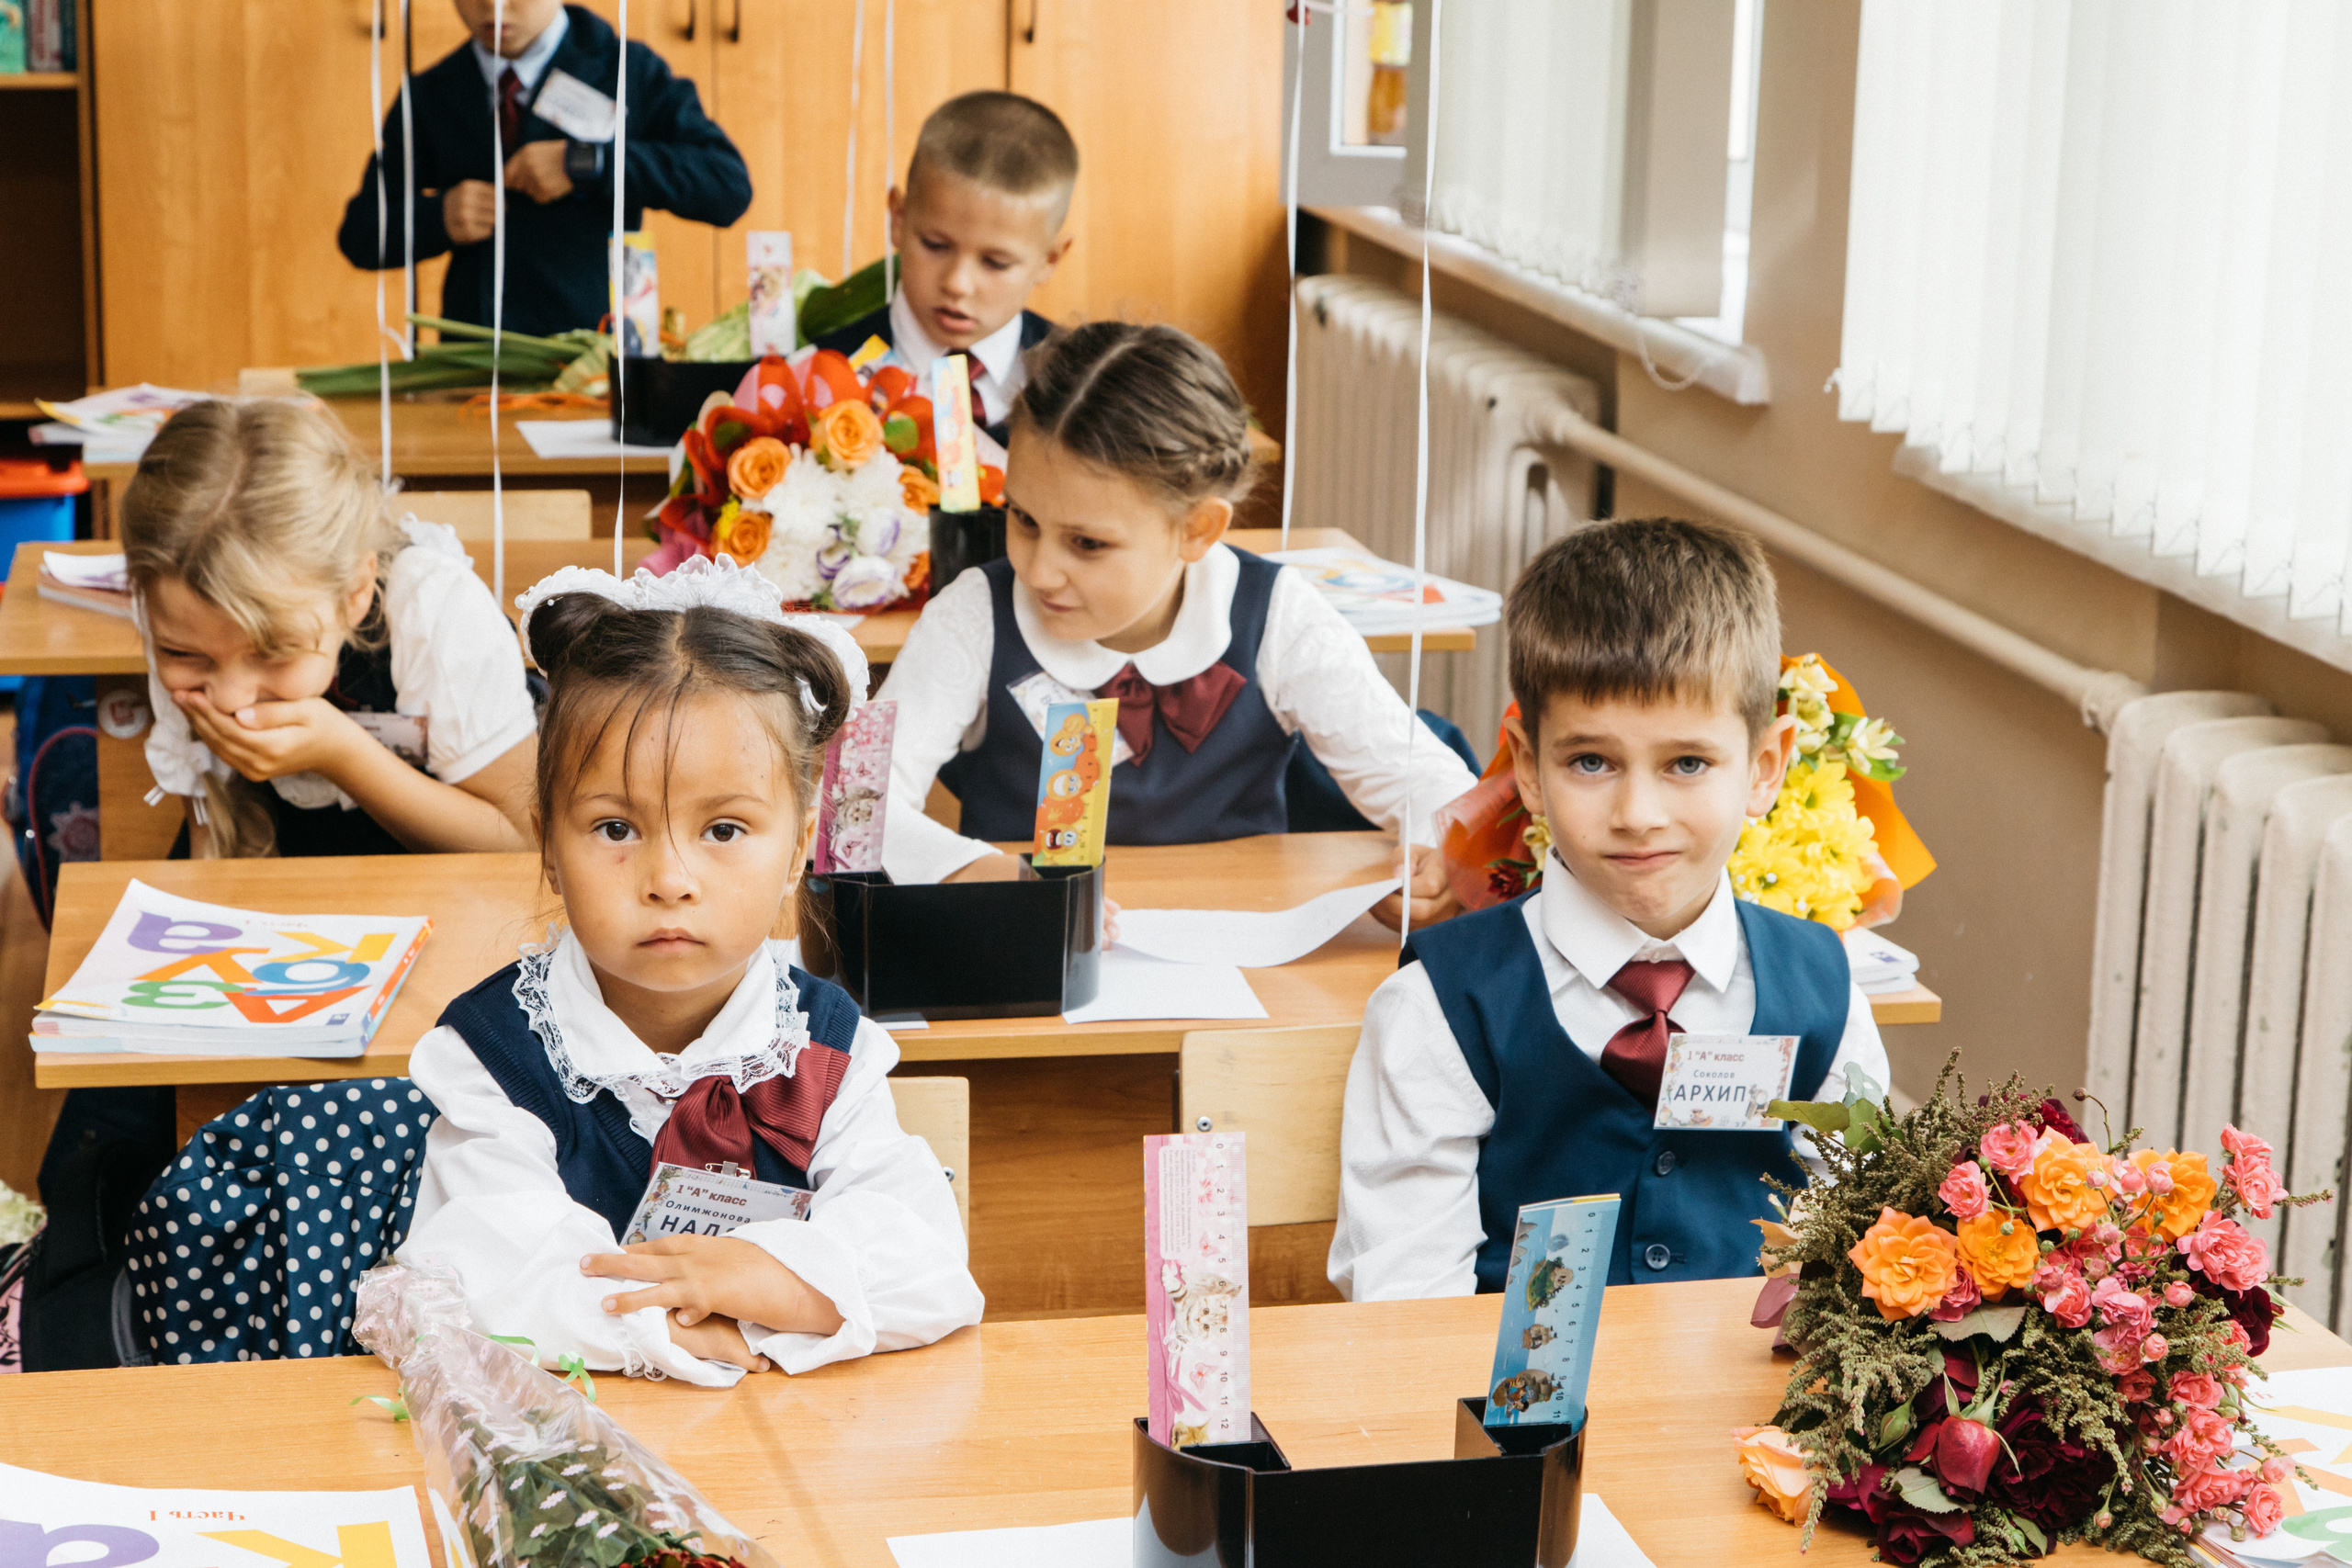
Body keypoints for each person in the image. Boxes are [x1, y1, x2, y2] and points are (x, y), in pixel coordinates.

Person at [398, 557, 981, 1384]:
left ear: (798, 847)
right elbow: (491, 1279)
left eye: (724, 831)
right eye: (613, 828)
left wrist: (765, 1276)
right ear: (548, 845)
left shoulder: (828, 1050)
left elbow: (926, 1263)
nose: (669, 877)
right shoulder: (493, 1056)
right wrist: (688, 1329)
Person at [1327, 519, 1892, 1298]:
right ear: (1527, 767)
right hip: (1510, 1417)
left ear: (1765, 768)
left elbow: (1858, 1270)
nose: (1638, 812)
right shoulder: (1441, 1007)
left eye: (1687, 763)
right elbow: (1408, 1308)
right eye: (1591, 761)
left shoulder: (1826, 993)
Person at [875, 321, 1479, 931]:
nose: (1040, 570)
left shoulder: (1280, 617)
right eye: (1024, 518)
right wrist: (966, 869)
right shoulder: (972, 615)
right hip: (1023, 957)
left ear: (1198, 530)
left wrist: (1437, 860)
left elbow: (1431, 779)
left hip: (1243, 958)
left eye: (1087, 542)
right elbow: (856, 805)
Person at [123, 399, 537, 858]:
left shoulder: (430, 610)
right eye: (183, 655)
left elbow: (521, 840)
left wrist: (341, 754)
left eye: (275, 651)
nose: (230, 699)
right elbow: (209, 827)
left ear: (355, 593)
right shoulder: (179, 612)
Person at [337, 0, 752, 338]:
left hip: (595, 359)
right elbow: (360, 234)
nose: (493, 8)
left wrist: (585, 162)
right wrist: (438, 217)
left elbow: (726, 185)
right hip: (474, 364)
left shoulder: (628, 70)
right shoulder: (430, 94)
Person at [810, 91, 1074, 447]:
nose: (957, 284)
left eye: (995, 263)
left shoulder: (1083, 382)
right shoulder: (822, 375)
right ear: (898, 219)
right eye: (935, 245)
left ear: (1050, 259)